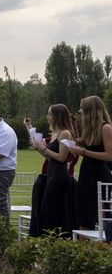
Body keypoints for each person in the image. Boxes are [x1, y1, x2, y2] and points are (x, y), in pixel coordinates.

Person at [27, 104, 78, 237]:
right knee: (47, 210)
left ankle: (58, 239)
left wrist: (43, 148)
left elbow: (62, 158)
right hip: (51, 175)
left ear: (57, 116)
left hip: (59, 178)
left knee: (54, 211)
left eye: (50, 114)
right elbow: (49, 157)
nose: (48, 117)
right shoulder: (55, 133)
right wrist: (39, 148)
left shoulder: (65, 133)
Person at [66, 96, 112, 230]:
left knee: (101, 214)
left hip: (99, 175)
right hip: (87, 173)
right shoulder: (90, 129)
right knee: (84, 213)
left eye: (82, 109)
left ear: (91, 111)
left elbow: (109, 155)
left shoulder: (106, 127)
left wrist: (84, 152)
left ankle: (104, 247)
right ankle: (82, 248)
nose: (80, 112)